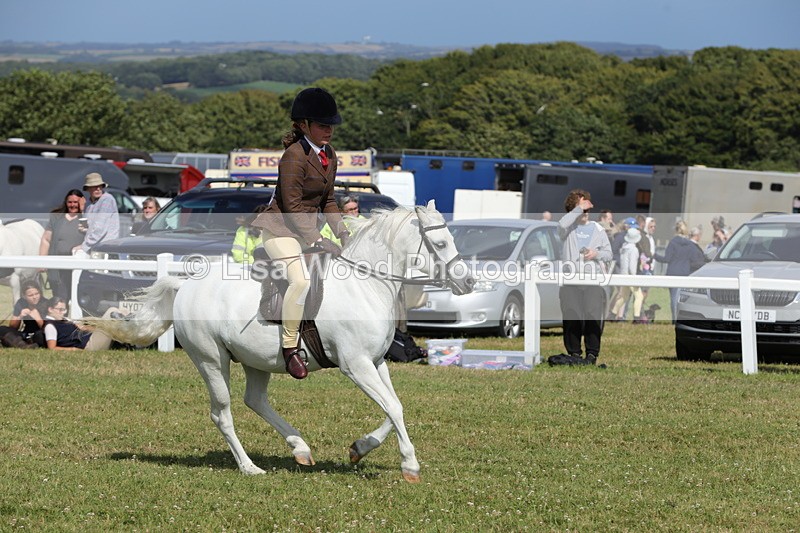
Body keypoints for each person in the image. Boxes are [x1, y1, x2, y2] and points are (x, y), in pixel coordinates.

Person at [251, 87, 348, 380]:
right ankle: (290, 347)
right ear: (303, 125)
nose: (328, 131)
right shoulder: (293, 155)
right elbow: (292, 205)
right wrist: (317, 239)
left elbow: (328, 200)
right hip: (279, 229)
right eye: (322, 125)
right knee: (301, 281)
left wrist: (343, 232)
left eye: (331, 125)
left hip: (304, 230)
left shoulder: (328, 154)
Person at [557, 189, 612, 365]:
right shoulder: (568, 228)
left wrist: (596, 253)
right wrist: (578, 209)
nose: (585, 212)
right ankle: (573, 353)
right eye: (581, 208)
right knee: (571, 316)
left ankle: (592, 354)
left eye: (586, 208)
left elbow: (609, 254)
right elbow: (561, 224)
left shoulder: (598, 229)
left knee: (592, 316)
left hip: (592, 280)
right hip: (570, 280)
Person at [38, 189, 85, 301]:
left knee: (76, 299)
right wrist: (41, 261)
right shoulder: (56, 217)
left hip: (77, 266)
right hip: (57, 267)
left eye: (76, 202)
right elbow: (46, 239)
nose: (73, 205)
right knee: (60, 298)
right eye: (70, 202)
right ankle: (60, 318)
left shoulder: (86, 218)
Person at [655, 221, 707, 322]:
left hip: (673, 272)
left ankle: (674, 320)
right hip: (684, 273)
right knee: (680, 298)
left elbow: (666, 259)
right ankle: (680, 318)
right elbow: (694, 259)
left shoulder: (673, 242)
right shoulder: (690, 245)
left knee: (673, 298)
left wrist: (654, 255)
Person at [41, 296, 114, 351]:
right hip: (88, 346)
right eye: (60, 310)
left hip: (90, 339)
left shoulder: (63, 320)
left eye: (64, 310)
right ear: (50, 309)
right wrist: (73, 349)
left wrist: (97, 329)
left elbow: (83, 328)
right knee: (112, 312)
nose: (62, 313)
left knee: (116, 315)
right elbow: (52, 348)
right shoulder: (50, 326)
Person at [74, 172, 120, 255]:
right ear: (88, 189)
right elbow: (94, 228)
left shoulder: (107, 199)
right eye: (94, 186)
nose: (98, 189)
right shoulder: (88, 203)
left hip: (106, 248)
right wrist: (84, 229)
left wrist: (84, 246)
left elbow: (99, 229)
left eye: (100, 186)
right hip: (95, 248)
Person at [610, 227, 645, 323]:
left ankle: (612, 314)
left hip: (624, 275)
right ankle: (636, 318)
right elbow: (632, 267)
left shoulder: (624, 248)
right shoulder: (634, 250)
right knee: (639, 296)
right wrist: (634, 278)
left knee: (623, 296)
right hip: (630, 276)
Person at [0, 280, 47, 348]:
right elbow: (13, 327)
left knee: (41, 335)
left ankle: (23, 344)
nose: (34, 297)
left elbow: (48, 329)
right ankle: (23, 345)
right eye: (30, 295)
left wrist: (38, 318)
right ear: (24, 296)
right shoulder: (21, 303)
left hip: (39, 333)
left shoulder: (46, 303)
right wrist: (20, 316)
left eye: (37, 294)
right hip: (26, 333)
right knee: (2, 329)